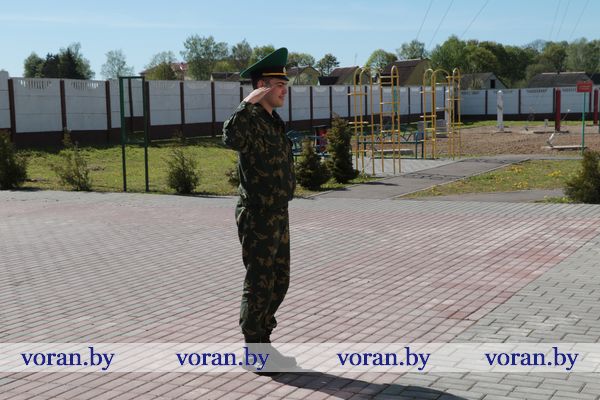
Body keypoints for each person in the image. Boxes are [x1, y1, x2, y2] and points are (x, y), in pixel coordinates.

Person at [222, 48, 296, 373]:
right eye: (279, 84)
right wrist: (247, 103)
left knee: (279, 280)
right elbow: (229, 136)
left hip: (278, 212)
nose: (284, 90)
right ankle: (254, 350)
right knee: (259, 282)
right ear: (262, 86)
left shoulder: (273, 122)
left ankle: (264, 342)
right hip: (257, 215)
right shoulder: (250, 120)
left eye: (285, 85)